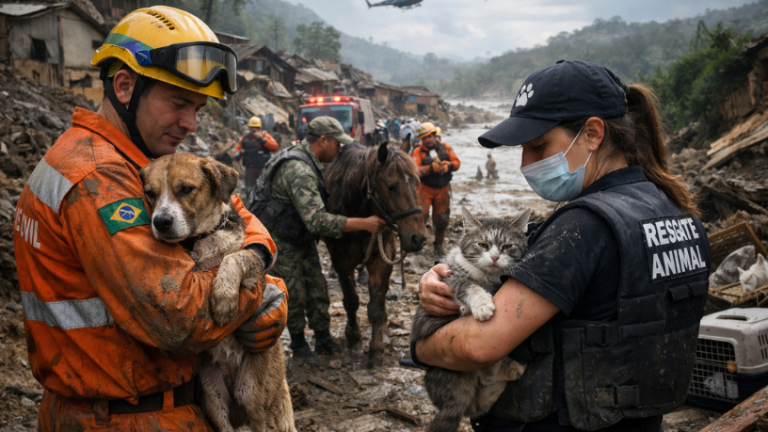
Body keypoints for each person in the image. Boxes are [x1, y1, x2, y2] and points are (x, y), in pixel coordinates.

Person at [12, 7, 288, 431]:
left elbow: (234, 214)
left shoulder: (143, 162)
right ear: (125, 86)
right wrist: (261, 295)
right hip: (124, 417)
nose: (190, 123)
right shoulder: (99, 177)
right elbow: (181, 317)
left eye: (198, 108)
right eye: (179, 103)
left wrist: (252, 254)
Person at [413, 60, 711, 432]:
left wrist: (420, 344)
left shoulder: (583, 228)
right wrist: (446, 280)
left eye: (538, 146)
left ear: (592, 134)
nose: (525, 163)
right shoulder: (676, 211)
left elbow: (478, 347)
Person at [250, 116, 387, 361]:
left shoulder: (310, 160)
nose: (340, 149)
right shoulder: (299, 169)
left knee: (317, 288)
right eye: (337, 144)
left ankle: (323, 340)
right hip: (281, 239)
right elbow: (317, 220)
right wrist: (364, 224)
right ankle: (300, 346)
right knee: (293, 293)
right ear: (323, 140)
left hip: (299, 234)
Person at [411, 121, 461, 255]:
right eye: (424, 138)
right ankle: (418, 244)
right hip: (424, 189)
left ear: (435, 135)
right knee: (420, 218)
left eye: (429, 136)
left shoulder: (446, 147)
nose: (427, 140)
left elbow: (457, 163)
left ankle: (438, 245)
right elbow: (414, 170)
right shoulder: (417, 151)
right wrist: (429, 168)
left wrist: (448, 165)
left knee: (442, 219)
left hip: (442, 189)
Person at [235, 116, 279, 194]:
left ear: (260, 128)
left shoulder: (265, 136)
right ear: (249, 128)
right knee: (249, 190)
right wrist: (239, 153)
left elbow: (275, 147)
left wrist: (262, 140)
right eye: (252, 127)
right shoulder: (244, 138)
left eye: (256, 127)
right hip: (250, 169)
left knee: (264, 189)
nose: (254, 129)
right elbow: (237, 151)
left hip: (262, 168)